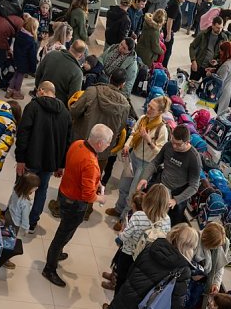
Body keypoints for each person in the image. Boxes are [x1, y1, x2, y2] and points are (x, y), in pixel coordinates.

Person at [42, 124, 112, 287]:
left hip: (65, 192)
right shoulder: (91, 164)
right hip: (75, 203)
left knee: (64, 231)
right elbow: (88, 195)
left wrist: (96, 181)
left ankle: (56, 254)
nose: (109, 145)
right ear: (100, 143)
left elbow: (77, 169)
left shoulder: (78, 144)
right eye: (108, 142)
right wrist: (101, 199)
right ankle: (49, 268)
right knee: (63, 235)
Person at [14, 80, 72, 231]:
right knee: (42, 190)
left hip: (30, 160)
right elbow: (68, 142)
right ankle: (32, 222)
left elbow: (23, 134)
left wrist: (20, 159)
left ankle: (15, 218)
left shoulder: (33, 107)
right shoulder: (65, 113)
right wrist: (61, 164)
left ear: (41, 90)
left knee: (22, 187)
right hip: (50, 163)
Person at [107, 95, 170, 227]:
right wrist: (127, 145)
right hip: (133, 158)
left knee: (133, 194)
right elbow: (133, 133)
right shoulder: (142, 119)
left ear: (160, 112)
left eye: (152, 108)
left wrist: (148, 140)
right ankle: (118, 209)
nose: (148, 109)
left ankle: (123, 220)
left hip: (146, 165)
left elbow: (160, 153)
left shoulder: (162, 130)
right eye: (148, 106)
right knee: (123, 186)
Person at [106, 183, 172, 296]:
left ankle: (114, 306)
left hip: (128, 255)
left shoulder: (139, 215)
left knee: (121, 280)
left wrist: (121, 231)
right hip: (146, 258)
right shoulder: (167, 219)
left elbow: (124, 237)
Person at [69, 68, 131, 177]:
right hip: (102, 151)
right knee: (91, 180)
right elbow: (120, 128)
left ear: (110, 78)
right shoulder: (125, 105)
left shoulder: (92, 91)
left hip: (82, 144)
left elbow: (74, 111)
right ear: (123, 84)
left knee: (72, 177)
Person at [138, 124, 201, 225]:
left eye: (178, 144)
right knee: (145, 211)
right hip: (160, 184)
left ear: (187, 142)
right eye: (173, 142)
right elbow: (154, 163)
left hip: (176, 193)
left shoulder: (194, 158)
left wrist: (176, 200)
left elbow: (194, 186)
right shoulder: (168, 145)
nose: (174, 146)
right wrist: (144, 178)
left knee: (166, 223)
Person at [35, 39, 85, 106]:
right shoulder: (77, 73)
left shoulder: (51, 54)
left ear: (70, 47)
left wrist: (39, 89)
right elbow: (73, 98)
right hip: (56, 108)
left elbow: (38, 74)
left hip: (39, 98)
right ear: (81, 55)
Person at [7, 13, 38, 100]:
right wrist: (33, 68)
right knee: (20, 77)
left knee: (15, 75)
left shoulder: (19, 34)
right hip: (24, 62)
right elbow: (32, 56)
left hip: (16, 58)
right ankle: (16, 92)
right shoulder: (31, 41)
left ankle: (9, 91)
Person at [189, 15, 228, 80]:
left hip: (211, 69)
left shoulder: (224, 38)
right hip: (198, 65)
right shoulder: (203, 34)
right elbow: (192, 46)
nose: (219, 30)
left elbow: (224, 54)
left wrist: (217, 61)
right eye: (217, 28)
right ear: (212, 25)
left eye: (221, 28)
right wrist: (193, 61)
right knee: (192, 85)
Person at [4, 169, 41, 238]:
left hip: (8, 214)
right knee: (11, 237)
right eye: (35, 187)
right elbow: (25, 217)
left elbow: (11, 200)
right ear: (28, 188)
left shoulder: (15, 189)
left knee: (5, 231)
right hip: (15, 222)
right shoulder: (25, 203)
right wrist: (26, 228)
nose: (37, 188)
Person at [163, 0, 185, 68]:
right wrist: (168, 34)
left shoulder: (172, 1)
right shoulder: (175, 5)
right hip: (168, 31)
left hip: (167, 30)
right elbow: (170, 20)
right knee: (167, 51)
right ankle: (163, 67)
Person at [213, 41, 231, 115]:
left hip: (222, 91)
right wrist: (214, 69)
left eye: (221, 51)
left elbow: (219, 81)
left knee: (215, 112)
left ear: (225, 51)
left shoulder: (226, 65)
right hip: (227, 89)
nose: (220, 52)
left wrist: (210, 74)